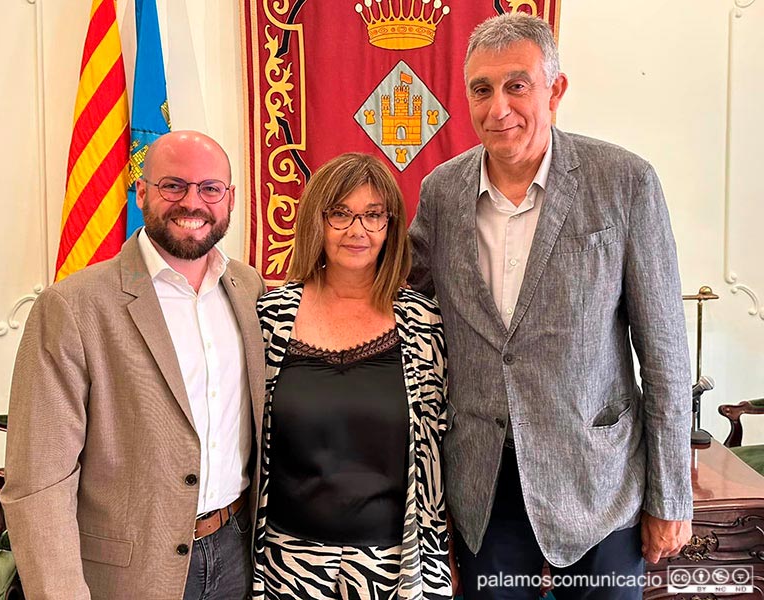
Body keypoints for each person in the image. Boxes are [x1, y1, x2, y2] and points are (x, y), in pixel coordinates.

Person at [408, 13, 693, 600]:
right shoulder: (440, 192)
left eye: (517, 85)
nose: (498, 108)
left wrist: (670, 496)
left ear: (555, 90)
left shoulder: (625, 182)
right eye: (481, 90)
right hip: (485, 486)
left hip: (600, 482)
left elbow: (664, 353)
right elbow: (405, 300)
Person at [2, 131, 265, 600]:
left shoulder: (249, 289)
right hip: (126, 574)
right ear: (141, 191)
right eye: (173, 186)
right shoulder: (72, 306)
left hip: (236, 554)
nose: (192, 202)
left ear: (229, 198)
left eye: (210, 188)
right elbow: (38, 484)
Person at [252, 153, 452, 600]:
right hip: (287, 564)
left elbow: (441, 445)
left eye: (373, 215)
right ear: (316, 222)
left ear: (391, 225)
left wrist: (446, 551)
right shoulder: (270, 317)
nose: (357, 230)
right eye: (340, 213)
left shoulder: (423, 321)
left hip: (398, 565)